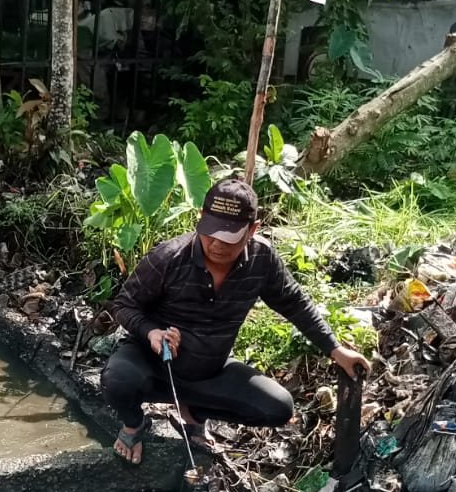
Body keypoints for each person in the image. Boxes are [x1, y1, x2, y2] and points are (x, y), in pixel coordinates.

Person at [104, 179, 371, 464]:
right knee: (118, 380)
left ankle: (193, 411)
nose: (217, 244)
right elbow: (124, 305)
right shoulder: (168, 257)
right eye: (210, 233)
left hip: (211, 372)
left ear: (252, 230)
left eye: (229, 236)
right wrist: (151, 332)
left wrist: (335, 349)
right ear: (200, 219)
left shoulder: (262, 260)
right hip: (154, 364)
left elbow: (294, 303)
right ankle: (133, 425)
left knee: (277, 408)